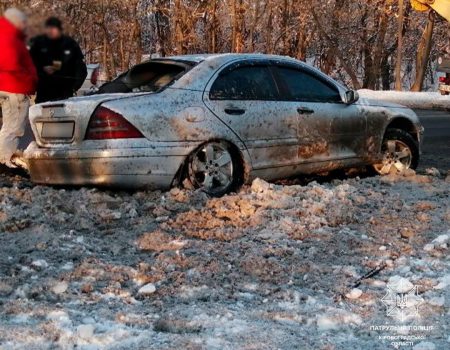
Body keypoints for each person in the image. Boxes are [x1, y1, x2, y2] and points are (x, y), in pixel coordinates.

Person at [0, 8, 37, 169]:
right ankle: (5, 161)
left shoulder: (6, 35)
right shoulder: (9, 38)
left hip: (9, 87)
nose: (24, 25)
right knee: (13, 128)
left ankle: (4, 159)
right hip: (15, 88)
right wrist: (29, 79)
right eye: (22, 22)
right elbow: (10, 64)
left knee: (9, 126)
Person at [30, 17, 87, 103]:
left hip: (64, 94)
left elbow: (81, 68)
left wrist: (74, 87)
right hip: (43, 93)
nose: (51, 31)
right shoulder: (38, 43)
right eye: (49, 29)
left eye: (53, 29)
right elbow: (29, 65)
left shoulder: (70, 44)